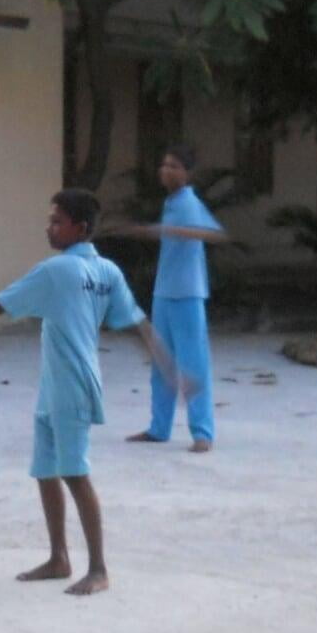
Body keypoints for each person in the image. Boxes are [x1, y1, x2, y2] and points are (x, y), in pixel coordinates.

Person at [0, 190, 179, 595]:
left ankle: (98, 569)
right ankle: (59, 557)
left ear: (79, 228)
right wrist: (165, 362)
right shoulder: (107, 271)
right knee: (46, 470)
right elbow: (135, 321)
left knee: (75, 473)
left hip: (71, 385)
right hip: (56, 384)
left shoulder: (57, 270)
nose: (49, 228)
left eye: (57, 221)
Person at [109, 144, 227, 453]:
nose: (166, 170)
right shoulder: (171, 202)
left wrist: (171, 230)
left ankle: (202, 433)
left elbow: (215, 234)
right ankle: (159, 428)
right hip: (164, 292)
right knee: (161, 365)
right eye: (164, 165)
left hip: (188, 293)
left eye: (174, 166)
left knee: (193, 363)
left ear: (187, 173)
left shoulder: (189, 202)